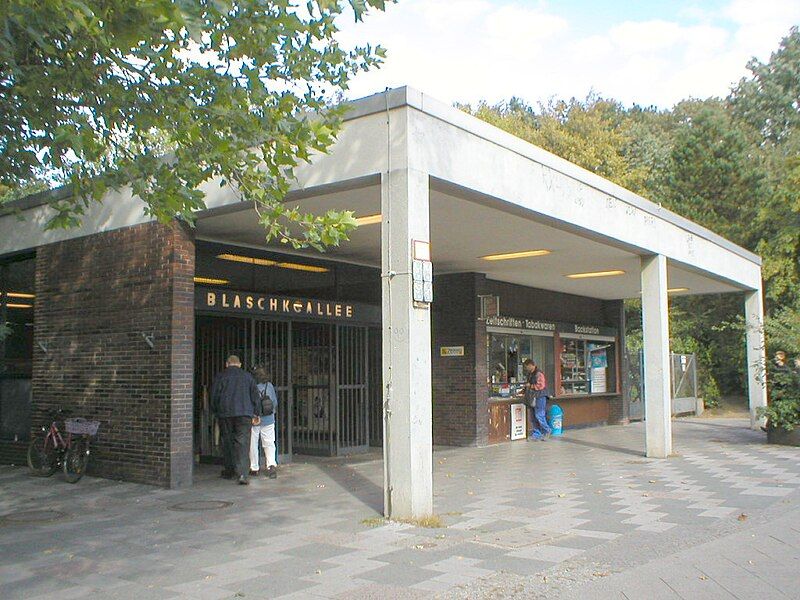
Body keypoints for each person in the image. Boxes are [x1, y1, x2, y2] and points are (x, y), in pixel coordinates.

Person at [211, 355, 261, 485]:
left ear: (227, 364)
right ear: (239, 364)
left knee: (227, 441)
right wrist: (256, 413)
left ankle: (230, 470)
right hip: (244, 413)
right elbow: (255, 396)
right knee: (243, 443)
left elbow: (214, 395)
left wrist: (215, 411)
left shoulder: (221, 376)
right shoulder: (248, 377)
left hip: (225, 413)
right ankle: (243, 474)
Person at [249, 367, 279, 479]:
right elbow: (274, 402)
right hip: (269, 419)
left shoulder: (252, 387)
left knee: (253, 444)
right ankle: (271, 465)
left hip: (255, 419)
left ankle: (254, 467)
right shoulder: (269, 386)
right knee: (269, 443)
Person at [523, 358, 551, 440]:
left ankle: (547, 430)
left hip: (540, 396)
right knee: (533, 417)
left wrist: (530, 386)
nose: (526, 368)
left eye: (526, 367)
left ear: (531, 365)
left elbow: (541, 386)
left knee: (539, 415)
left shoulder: (539, 373)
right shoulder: (530, 374)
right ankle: (536, 433)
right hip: (532, 397)